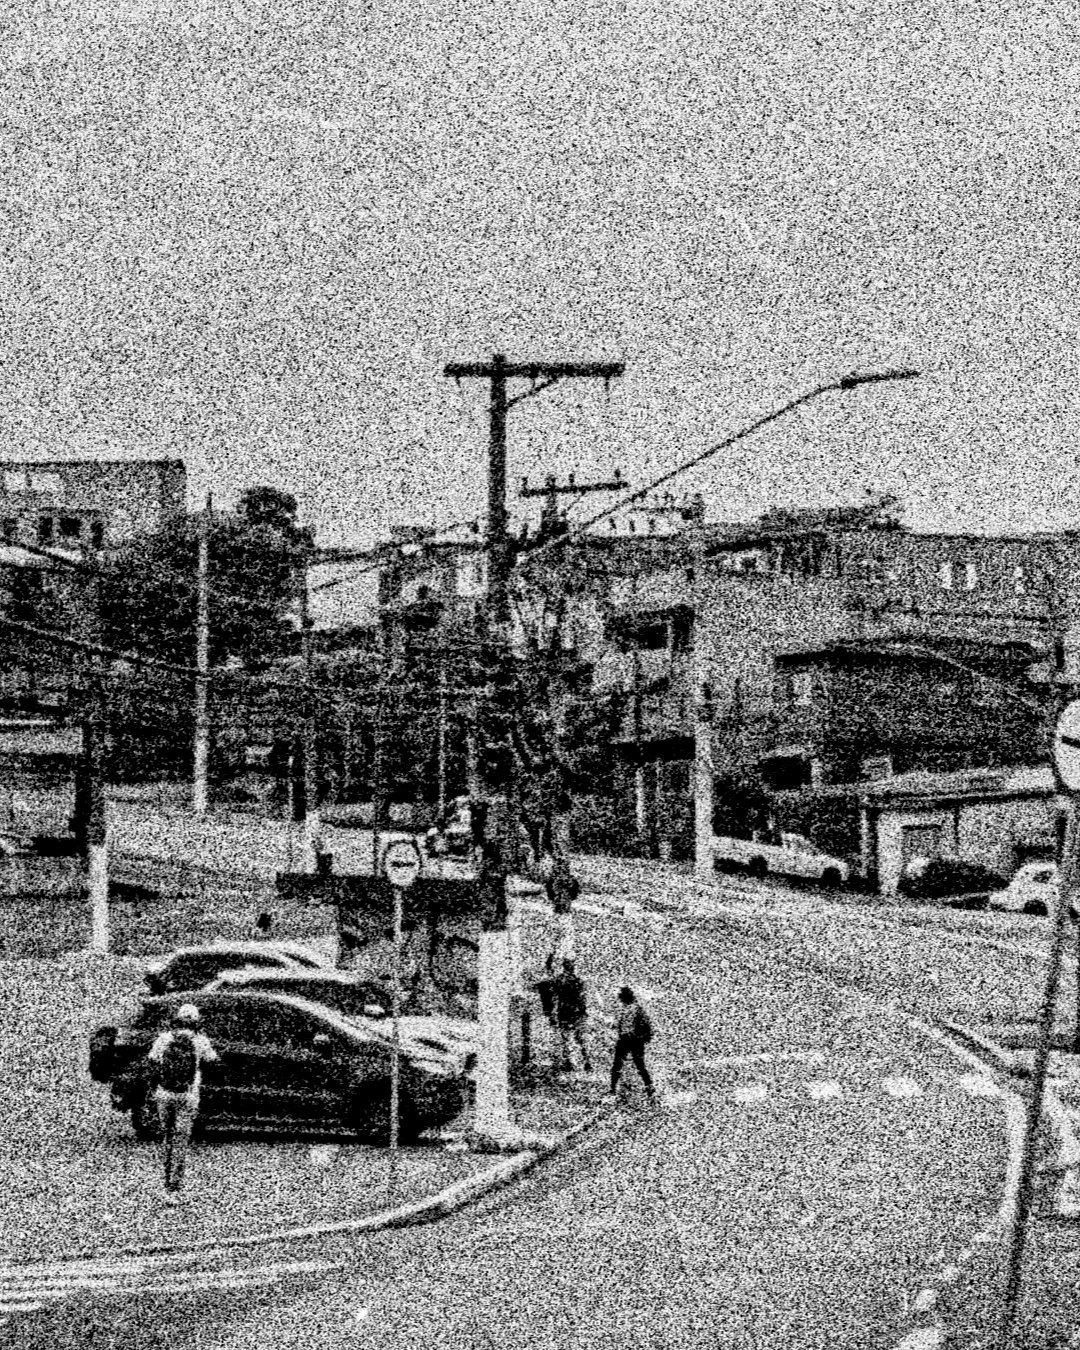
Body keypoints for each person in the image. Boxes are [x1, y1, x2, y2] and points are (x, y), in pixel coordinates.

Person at [146, 1004, 219, 1204]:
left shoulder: (164, 1038)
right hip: (188, 1095)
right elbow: (213, 1060)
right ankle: (175, 1188)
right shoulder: (200, 1040)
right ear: (196, 1021)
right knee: (181, 1140)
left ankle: (165, 1183)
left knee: (167, 1138)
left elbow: (152, 1062)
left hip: (164, 1093)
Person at [609, 985, 655, 1101]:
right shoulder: (631, 1009)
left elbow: (645, 1026)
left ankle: (613, 1088)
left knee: (619, 1064)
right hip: (630, 1039)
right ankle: (649, 1087)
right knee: (638, 1065)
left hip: (630, 1039)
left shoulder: (632, 1009)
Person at [552, 957, 592, 1073]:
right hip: (578, 1012)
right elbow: (583, 998)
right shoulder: (578, 980)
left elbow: (555, 998)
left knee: (566, 1039)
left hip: (564, 1012)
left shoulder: (559, 980)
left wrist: (554, 1014)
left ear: (564, 967)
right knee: (581, 1039)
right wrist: (585, 1011)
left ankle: (569, 1063)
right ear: (572, 967)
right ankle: (587, 1062)